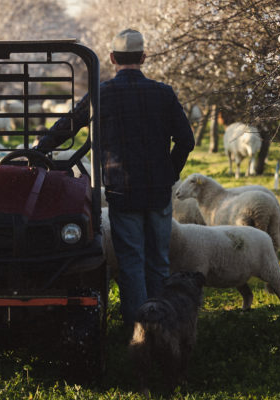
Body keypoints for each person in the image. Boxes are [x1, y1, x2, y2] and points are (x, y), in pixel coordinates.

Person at [36, 29, 195, 331]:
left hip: (122, 190)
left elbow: (66, 127)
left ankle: (138, 328)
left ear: (111, 58)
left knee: (131, 261)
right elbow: (186, 140)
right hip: (158, 191)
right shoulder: (164, 93)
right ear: (144, 57)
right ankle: (164, 325)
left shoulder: (101, 94)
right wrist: (170, 172)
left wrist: (36, 151)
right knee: (159, 260)